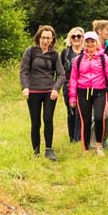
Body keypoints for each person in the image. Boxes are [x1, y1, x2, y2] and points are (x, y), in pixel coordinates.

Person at [67, 33, 108, 155]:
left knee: (100, 118)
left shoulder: (104, 58)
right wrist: (72, 97)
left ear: (97, 43)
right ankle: (86, 148)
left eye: (93, 41)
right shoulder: (78, 60)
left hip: (99, 92)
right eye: (88, 41)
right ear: (84, 43)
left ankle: (99, 146)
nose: (90, 44)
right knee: (86, 121)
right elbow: (73, 79)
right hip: (83, 92)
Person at [20, 25, 65, 160]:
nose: (45, 41)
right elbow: (24, 71)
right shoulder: (31, 51)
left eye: (48, 38)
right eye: (43, 37)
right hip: (33, 91)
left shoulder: (54, 54)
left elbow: (62, 74)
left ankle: (49, 150)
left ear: (52, 39)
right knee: (35, 123)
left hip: (49, 92)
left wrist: (56, 88)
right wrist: (25, 87)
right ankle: (36, 151)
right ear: (38, 38)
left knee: (48, 119)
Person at [91, 19, 108, 147]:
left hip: (107, 85)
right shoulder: (91, 44)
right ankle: (93, 143)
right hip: (92, 85)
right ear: (99, 31)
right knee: (95, 116)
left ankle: (103, 137)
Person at [61, 26, 87, 146]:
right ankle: (71, 137)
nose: (76, 38)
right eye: (74, 36)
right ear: (70, 38)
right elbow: (60, 69)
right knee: (70, 111)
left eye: (79, 36)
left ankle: (78, 138)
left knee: (79, 111)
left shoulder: (86, 51)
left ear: (82, 38)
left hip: (82, 85)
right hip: (68, 85)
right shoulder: (65, 53)